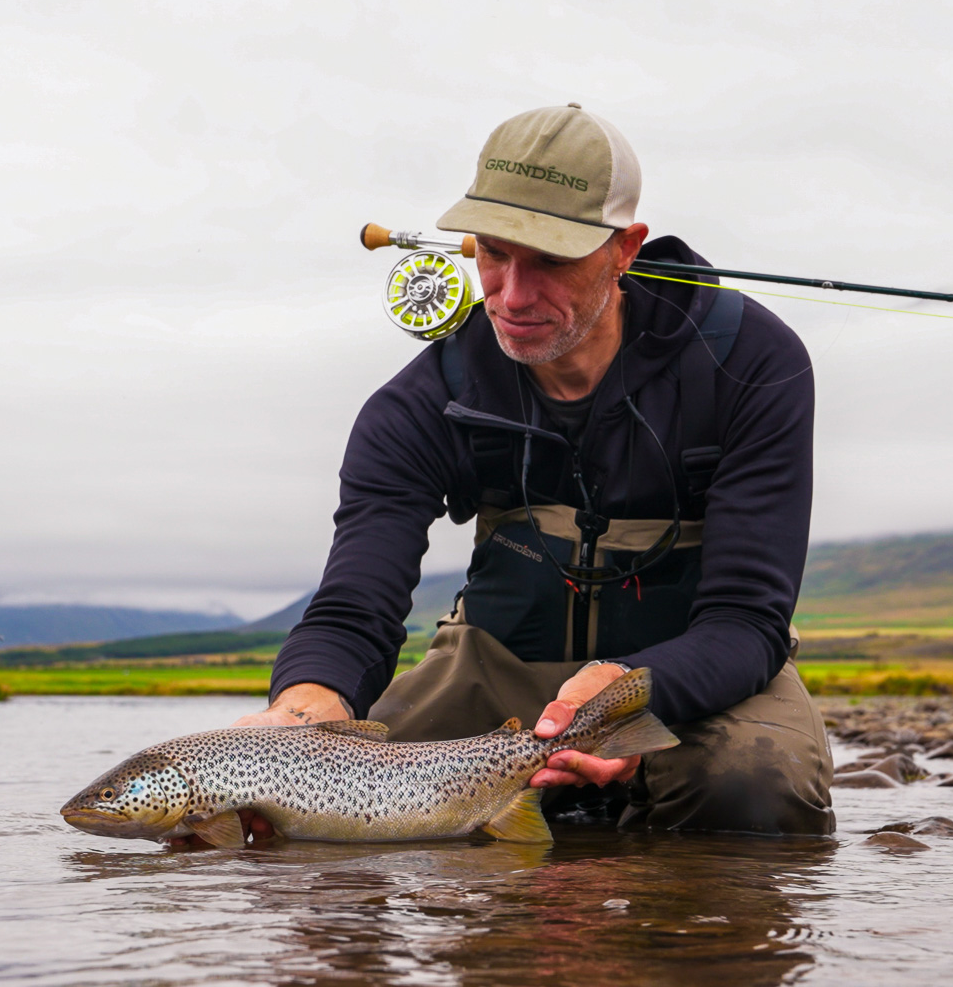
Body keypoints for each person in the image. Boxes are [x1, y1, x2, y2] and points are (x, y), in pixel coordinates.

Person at [233, 103, 834, 840]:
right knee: (321, 815)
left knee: (755, 793)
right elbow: (355, 609)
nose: (513, 297)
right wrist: (302, 711)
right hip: (494, 666)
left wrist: (627, 696)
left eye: (552, 260)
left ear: (625, 249)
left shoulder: (749, 364)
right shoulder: (420, 403)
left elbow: (746, 621)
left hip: (693, 676)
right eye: (494, 253)